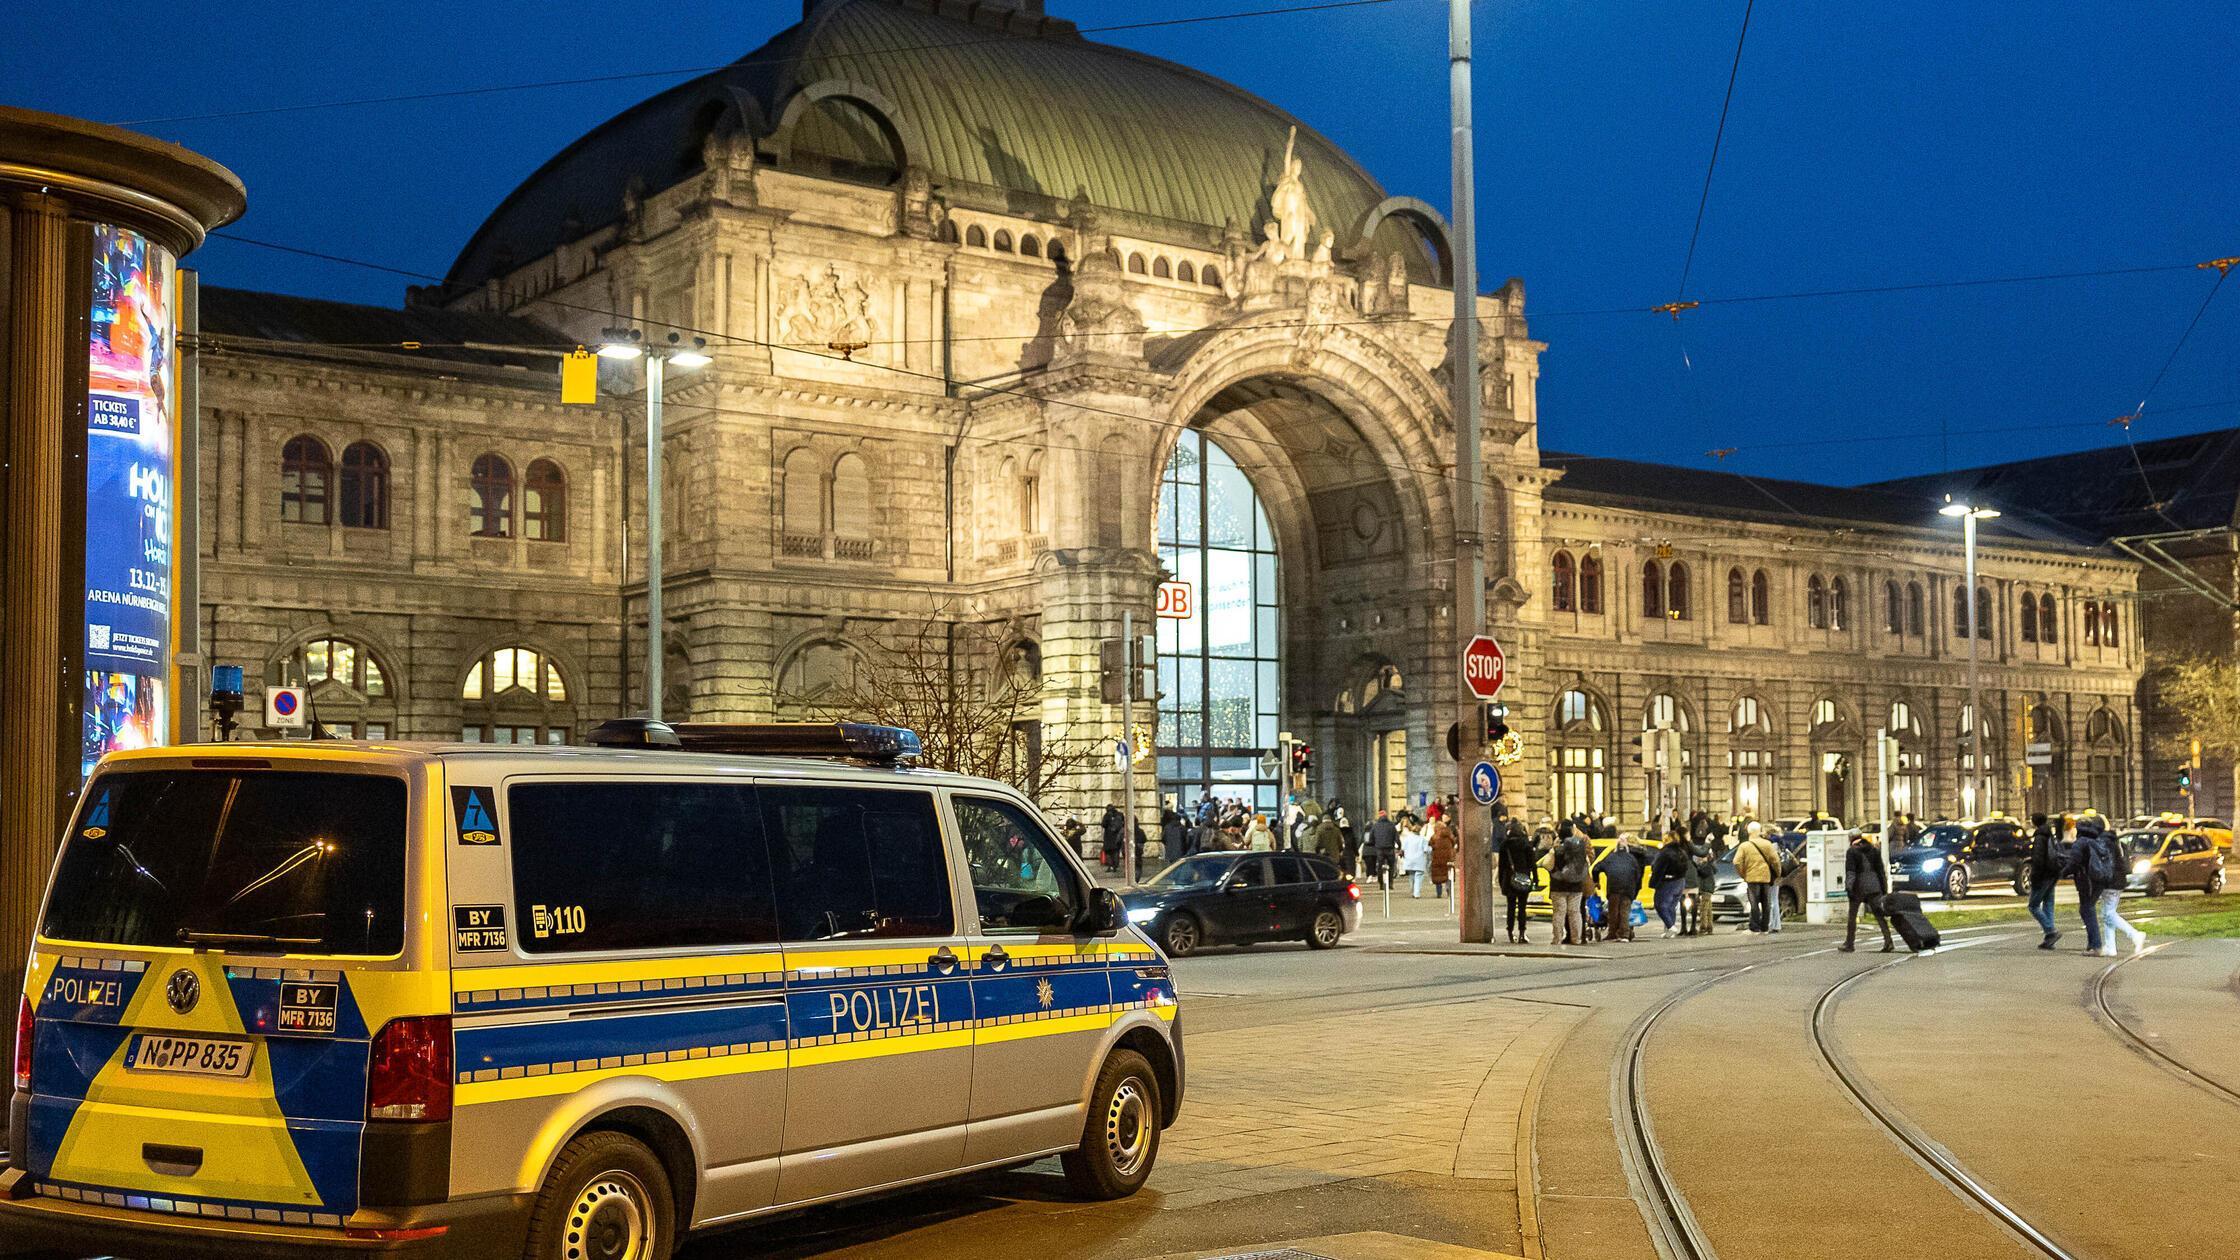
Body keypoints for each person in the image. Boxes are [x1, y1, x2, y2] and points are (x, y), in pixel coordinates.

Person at [2071, 818, 2145, 956]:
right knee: (2107, 913)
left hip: (2111, 881)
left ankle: (2135, 934)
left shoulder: (2102, 841)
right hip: (2117, 880)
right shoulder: (2112, 839)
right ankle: (2110, 947)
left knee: (2109, 914)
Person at [1840, 830, 1895, 952]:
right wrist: (1883, 888)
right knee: (1879, 914)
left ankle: (1849, 943)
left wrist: (1849, 887)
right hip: (1874, 885)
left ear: (1851, 839)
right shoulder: (1873, 849)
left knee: (1852, 916)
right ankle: (1888, 941)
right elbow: (1880, 871)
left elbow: (1851, 872)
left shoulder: (1852, 851)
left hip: (1858, 887)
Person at [1593, 835, 1648, 943]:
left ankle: (1612, 933)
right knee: (1624, 910)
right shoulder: (1631, 858)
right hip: (1628, 887)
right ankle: (1624, 934)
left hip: (1614, 886)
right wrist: (1634, 887)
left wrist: (1596, 881)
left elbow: (1596, 868)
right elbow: (1637, 874)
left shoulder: (1610, 857)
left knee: (1613, 911)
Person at [1547, 826, 1592, 946]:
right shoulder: (1580, 850)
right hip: (1576, 886)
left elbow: (1547, 865)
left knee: (1559, 913)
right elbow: (1587, 864)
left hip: (1559, 885)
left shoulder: (1556, 850)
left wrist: (1553, 848)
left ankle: (1557, 939)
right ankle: (1576, 939)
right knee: (1575, 912)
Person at [2025, 813, 2065, 949]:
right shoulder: (2049, 834)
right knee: (2048, 903)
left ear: (2034, 822)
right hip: (2053, 872)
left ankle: (2050, 931)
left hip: (2043, 875)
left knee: (2033, 905)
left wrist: (2034, 876)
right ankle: (2049, 938)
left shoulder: (2039, 837)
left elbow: (2038, 859)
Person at [1735, 821, 1782, 934]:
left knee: (1754, 903)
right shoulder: (1767, 844)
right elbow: (1775, 861)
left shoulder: (1744, 846)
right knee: (1766, 903)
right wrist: (1778, 873)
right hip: (1765, 878)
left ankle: (1754, 927)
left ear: (1748, 832)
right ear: (1759, 831)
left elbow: (1736, 862)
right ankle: (1765, 927)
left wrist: (1743, 874)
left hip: (1751, 878)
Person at [1498, 821, 1537, 944]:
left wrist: (1501, 882)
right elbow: (1532, 864)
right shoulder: (1526, 844)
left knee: (1510, 907)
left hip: (1509, 879)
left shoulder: (1505, 845)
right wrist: (1535, 879)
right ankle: (1522, 933)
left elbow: (1501, 866)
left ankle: (1510, 932)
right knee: (1522, 908)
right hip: (1523, 879)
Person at [1650, 828, 1693, 938]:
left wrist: (1654, 883)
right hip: (1680, 881)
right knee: (1671, 906)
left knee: (1660, 905)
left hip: (1667, 882)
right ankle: (1670, 930)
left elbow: (1657, 868)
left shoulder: (1665, 853)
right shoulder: (1681, 851)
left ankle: (1671, 926)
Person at [1399, 814, 1432, 897]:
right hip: (1419, 860)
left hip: (1409, 860)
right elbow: (1426, 849)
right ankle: (1416, 893)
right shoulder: (1422, 839)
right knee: (1419, 876)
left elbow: (1403, 848)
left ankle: (1412, 890)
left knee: (1411, 876)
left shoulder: (1407, 839)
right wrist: (1431, 849)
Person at [1368, 810, 1401, 890]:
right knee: (1391, 866)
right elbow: (1396, 837)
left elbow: (1371, 838)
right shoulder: (1391, 825)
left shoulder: (1375, 826)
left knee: (1380, 866)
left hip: (1379, 849)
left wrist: (1373, 844)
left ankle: (1381, 884)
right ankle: (1390, 883)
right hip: (1390, 848)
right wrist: (1399, 846)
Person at [1428, 811, 1457, 899]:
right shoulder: (1449, 835)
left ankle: (1439, 892)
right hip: (1448, 858)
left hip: (1437, 859)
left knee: (1438, 877)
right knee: (1448, 874)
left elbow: (1430, 845)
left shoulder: (1434, 837)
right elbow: (1453, 842)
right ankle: (1449, 890)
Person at [1099, 804, 1124, 873]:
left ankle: (1111, 866)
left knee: (1109, 852)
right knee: (1115, 851)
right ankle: (1115, 866)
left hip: (1109, 836)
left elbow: (1103, 824)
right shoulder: (1120, 815)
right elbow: (1123, 824)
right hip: (1117, 836)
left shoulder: (1107, 815)